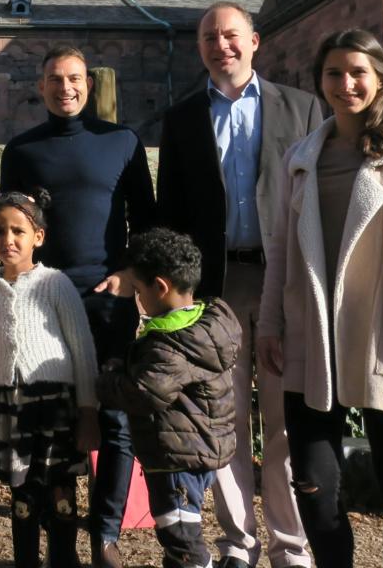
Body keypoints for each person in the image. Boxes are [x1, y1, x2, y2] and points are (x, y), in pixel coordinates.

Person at [258, 29, 383, 568]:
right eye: (334, 74)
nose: (345, 84)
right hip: (311, 335)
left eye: (357, 73)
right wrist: (269, 326)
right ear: (319, 81)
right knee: (315, 488)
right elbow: (279, 250)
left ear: (380, 80)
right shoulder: (301, 157)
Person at [156, 1, 319, 568]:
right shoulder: (181, 120)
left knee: (281, 418)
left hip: (283, 281)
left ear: (254, 41)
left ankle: (290, 546)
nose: (219, 45)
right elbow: (171, 210)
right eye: (208, 38)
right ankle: (237, 543)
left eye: (230, 36)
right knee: (219, 418)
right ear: (198, 48)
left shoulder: (301, 109)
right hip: (214, 289)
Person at [0, 44, 156, 568]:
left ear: (88, 84)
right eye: (54, 79)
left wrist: (131, 274)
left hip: (105, 299)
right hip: (44, 299)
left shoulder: (121, 142)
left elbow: (145, 217)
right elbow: (10, 228)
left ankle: (104, 533)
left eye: (74, 79)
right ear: (40, 87)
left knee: (114, 418)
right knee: (50, 414)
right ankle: (53, 521)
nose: (65, 88)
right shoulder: (22, 151)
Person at [0, 190, 99, 568]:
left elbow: (82, 350)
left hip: (55, 406)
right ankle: (26, 560)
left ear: (38, 236)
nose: (7, 240)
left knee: (60, 496)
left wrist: (88, 412)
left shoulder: (55, 284)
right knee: (22, 499)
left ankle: (63, 560)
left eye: (18, 231)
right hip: (9, 408)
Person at [97, 229, 241, 568]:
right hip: (198, 449)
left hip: (174, 459)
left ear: (160, 287)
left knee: (181, 538)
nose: (136, 297)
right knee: (179, 537)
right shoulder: (205, 326)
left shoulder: (168, 345)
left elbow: (144, 393)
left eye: (138, 289)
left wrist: (106, 381)